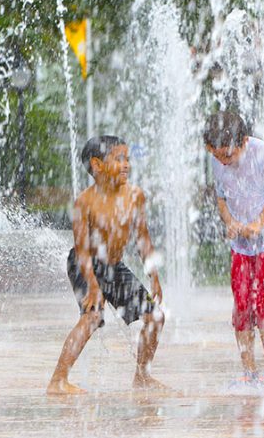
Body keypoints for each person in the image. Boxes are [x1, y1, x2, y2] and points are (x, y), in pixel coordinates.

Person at [47, 136, 166, 395]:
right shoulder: (85, 202)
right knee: (92, 316)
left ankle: (142, 376)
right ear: (97, 165)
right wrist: (92, 285)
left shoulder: (135, 196)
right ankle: (58, 380)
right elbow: (80, 250)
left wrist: (154, 275)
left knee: (155, 316)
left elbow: (142, 238)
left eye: (127, 159)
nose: (126, 165)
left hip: (114, 265)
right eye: (119, 159)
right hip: (83, 264)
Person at [203, 111, 264, 386]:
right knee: (242, 309)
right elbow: (220, 197)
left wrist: (259, 222)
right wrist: (229, 222)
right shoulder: (217, 159)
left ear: (242, 142)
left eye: (228, 156)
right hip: (241, 245)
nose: (224, 162)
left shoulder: (261, 151)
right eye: (218, 156)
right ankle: (248, 371)